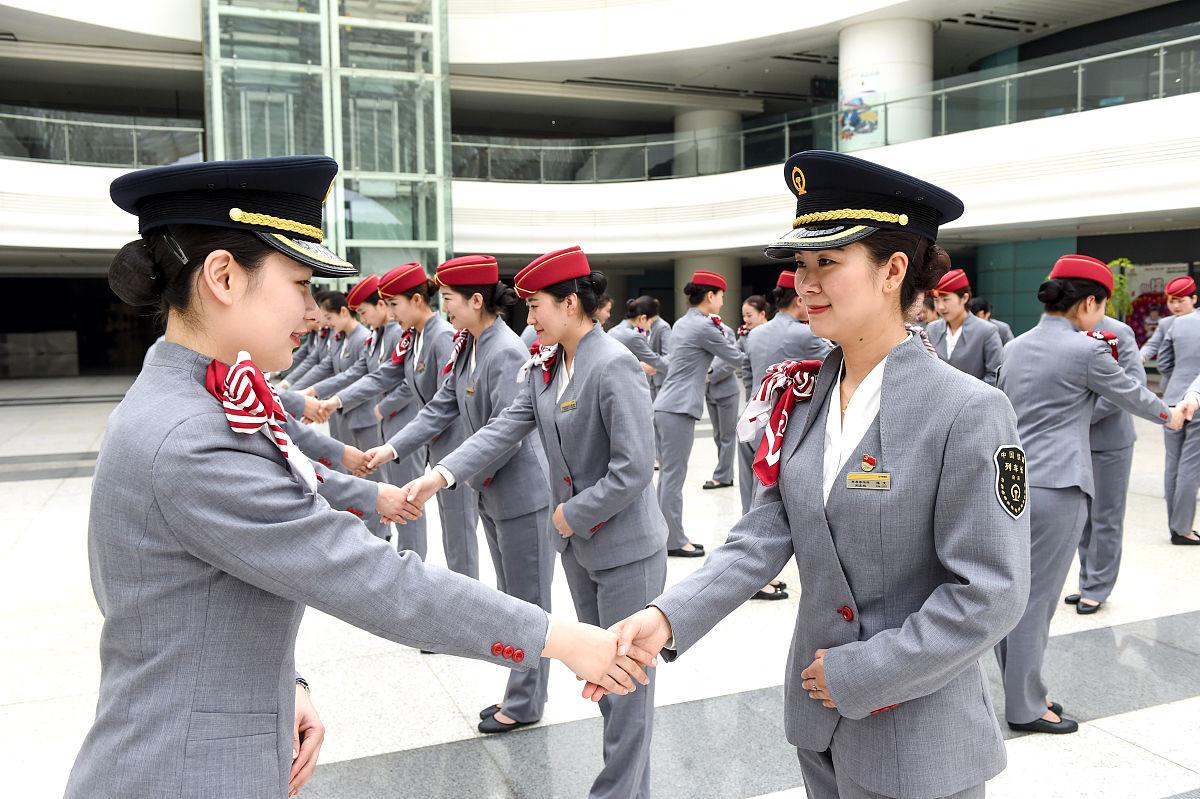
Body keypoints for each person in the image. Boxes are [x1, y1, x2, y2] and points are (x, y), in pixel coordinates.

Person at [69, 155, 645, 799]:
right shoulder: (191, 435)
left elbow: (190, 604)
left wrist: (282, 684)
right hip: (182, 772)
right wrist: (560, 638)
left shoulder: (185, 401)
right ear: (225, 277)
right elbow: (371, 577)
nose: (313, 310)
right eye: (298, 283)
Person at [607, 150, 1030, 799]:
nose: (805, 284)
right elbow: (765, 530)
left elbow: (992, 591)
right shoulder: (802, 395)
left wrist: (864, 672)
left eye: (827, 263)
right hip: (820, 722)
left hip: (917, 740)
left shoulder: (968, 410)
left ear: (893, 270)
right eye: (802, 265)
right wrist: (665, 616)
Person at [401, 246, 668, 799]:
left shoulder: (612, 363)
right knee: (607, 678)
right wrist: (440, 477)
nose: (530, 319)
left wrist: (570, 515)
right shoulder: (548, 365)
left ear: (570, 304)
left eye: (536, 306)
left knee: (628, 684)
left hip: (626, 549)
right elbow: (504, 427)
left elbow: (636, 468)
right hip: (581, 548)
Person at [362, 254, 556, 734]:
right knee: (514, 600)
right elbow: (442, 406)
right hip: (491, 488)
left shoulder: (504, 350)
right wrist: (390, 449)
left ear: (475, 299)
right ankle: (520, 692)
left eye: (448, 299)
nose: (443, 307)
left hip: (521, 493)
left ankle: (527, 701)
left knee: (530, 602)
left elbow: (502, 431)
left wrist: (442, 474)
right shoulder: (470, 343)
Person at [996, 254, 1181, 736]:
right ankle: (1025, 705)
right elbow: (1132, 395)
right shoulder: (1085, 351)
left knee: (1015, 595)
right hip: (1058, 485)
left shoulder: (1015, 346)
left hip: (1011, 482)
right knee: (1037, 600)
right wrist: (1172, 416)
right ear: (1091, 302)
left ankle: (1022, 687)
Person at [316, 263, 480, 574]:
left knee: (459, 532)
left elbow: (446, 402)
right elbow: (382, 376)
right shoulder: (415, 336)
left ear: (417, 300)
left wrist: (392, 439)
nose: (391, 314)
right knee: (437, 522)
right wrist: (336, 400)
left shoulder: (441, 335)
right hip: (430, 439)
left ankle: (465, 597)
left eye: (394, 304)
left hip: (453, 443)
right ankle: (420, 577)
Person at [305, 275, 405, 540]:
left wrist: (383, 407)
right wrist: (319, 396)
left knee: (392, 488)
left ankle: (384, 536)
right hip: (369, 416)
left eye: (363, 311)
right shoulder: (376, 336)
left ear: (381, 306)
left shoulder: (394, 334)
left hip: (385, 419)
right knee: (369, 480)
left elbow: (399, 380)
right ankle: (376, 532)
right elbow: (356, 373)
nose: (362, 318)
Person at [653, 270, 744, 557]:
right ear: (710, 296)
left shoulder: (682, 322)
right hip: (678, 407)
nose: (721, 301)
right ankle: (673, 540)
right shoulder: (704, 327)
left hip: (668, 405)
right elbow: (737, 358)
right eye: (721, 297)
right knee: (672, 478)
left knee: (668, 476)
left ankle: (667, 534)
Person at [1063, 313, 1146, 614]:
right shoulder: (1066, 328)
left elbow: (1134, 384)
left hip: (1110, 440)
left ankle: (1098, 587)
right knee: (1084, 517)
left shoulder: (1119, 332)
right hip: (1074, 439)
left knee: (1106, 517)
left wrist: (1085, 414)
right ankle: (1087, 581)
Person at [1156, 296, 1200, 545]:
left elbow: (1163, 362)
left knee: (1172, 464)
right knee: (1191, 466)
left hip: (1172, 399)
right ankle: (1183, 529)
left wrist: (1177, 380)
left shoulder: (1178, 323)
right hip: (1197, 402)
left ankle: (1174, 525)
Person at [923, 269, 1004, 384]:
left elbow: (995, 375)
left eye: (946, 299)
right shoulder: (932, 329)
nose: (940, 307)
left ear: (964, 298)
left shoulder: (986, 331)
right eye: (936, 300)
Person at [702, 313, 741, 491]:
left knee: (727, 436)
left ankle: (722, 476)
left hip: (726, 391)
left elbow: (732, 361)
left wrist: (710, 376)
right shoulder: (701, 332)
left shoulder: (727, 332)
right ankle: (726, 473)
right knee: (718, 435)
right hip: (709, 392)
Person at [1142, 275, 1197, 393]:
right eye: (1171, 301)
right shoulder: (1165, 323)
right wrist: (1140, 357)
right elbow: (1152, 345)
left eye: (1181, 301)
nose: (1176, 306)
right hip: (1173, 382)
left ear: (1194, 299)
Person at [609, 296, 669, 379]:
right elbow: (654, 360)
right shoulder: (632, 336)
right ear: (643, 318)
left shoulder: (613, 331)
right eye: (651, 322)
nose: (650, 327)